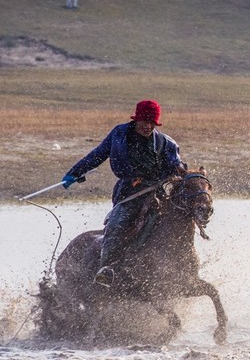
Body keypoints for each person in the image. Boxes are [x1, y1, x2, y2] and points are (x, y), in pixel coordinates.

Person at [62, 100, 186, 287]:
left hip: (156, 192)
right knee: (117, 224)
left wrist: (180, 169)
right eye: (144, 121)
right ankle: (106, 269)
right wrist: (75, 172)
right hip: (128, 194)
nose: (148, 126)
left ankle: (183, 265)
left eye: (152, 122)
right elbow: (98, 155)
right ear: (136, 119)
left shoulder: (166, 143)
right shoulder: (118, 134)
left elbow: (176, 164)